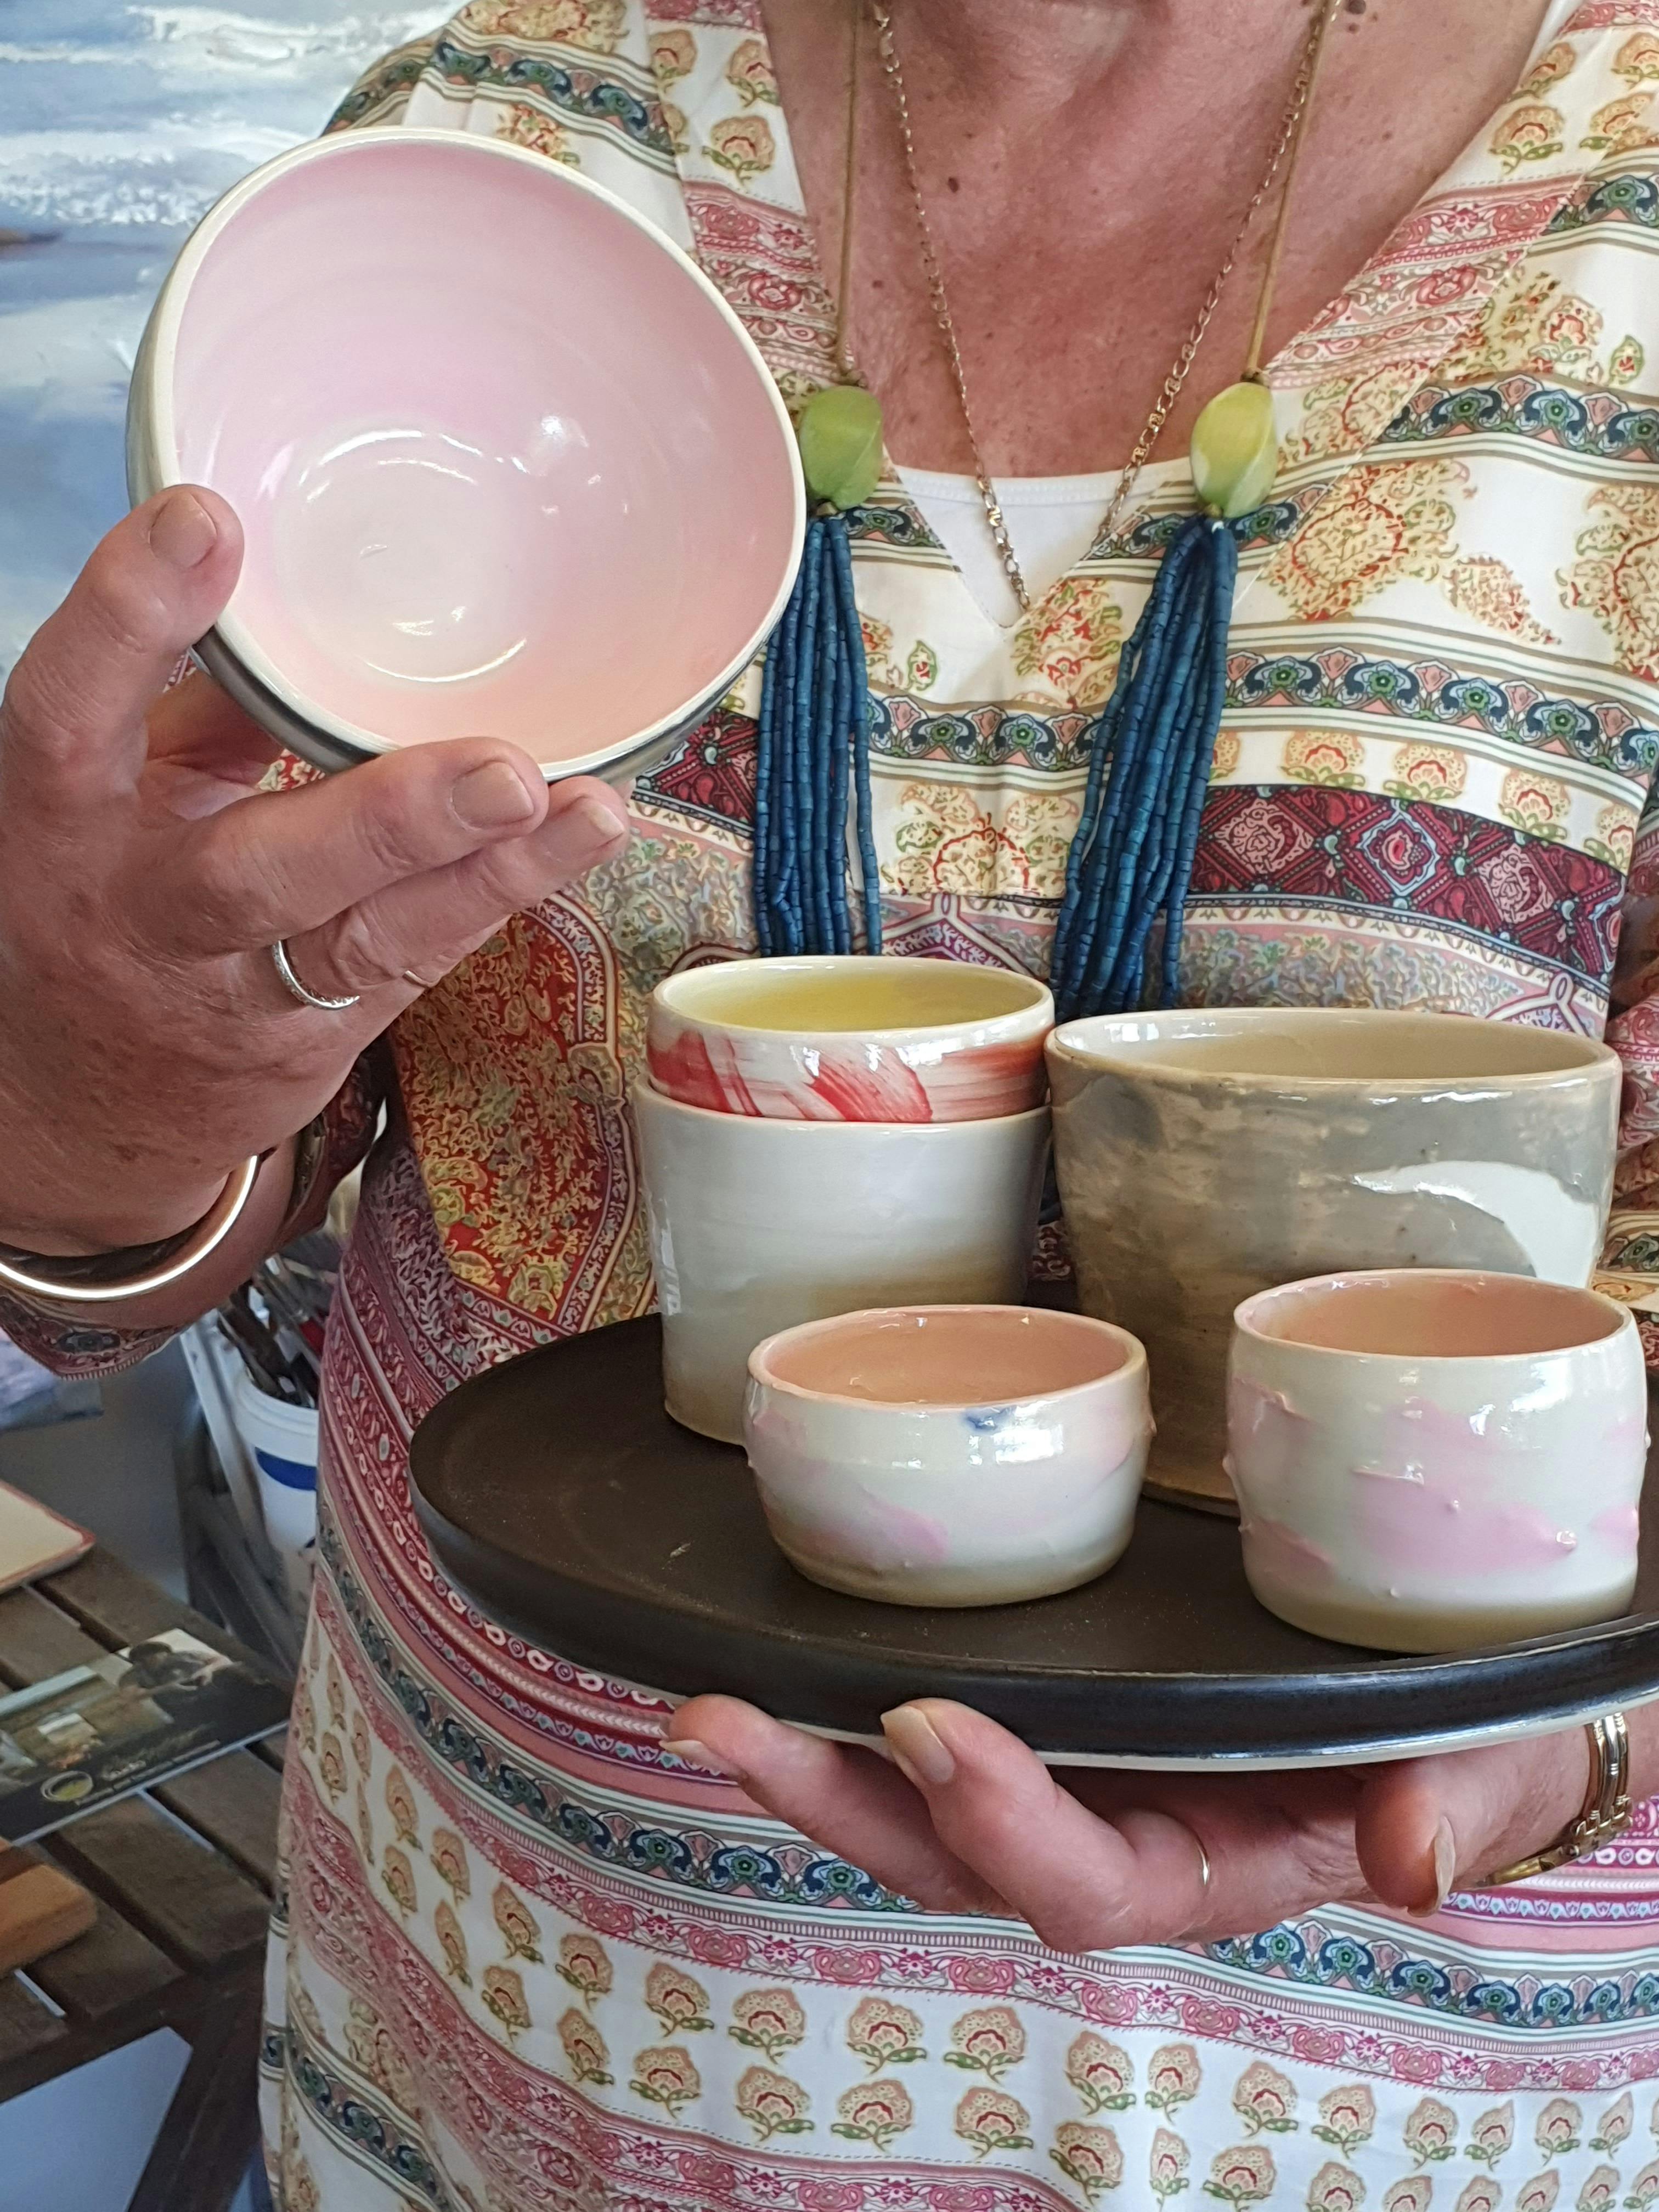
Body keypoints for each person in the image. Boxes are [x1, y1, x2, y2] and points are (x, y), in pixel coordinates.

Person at [3, 1, 1658, 2204]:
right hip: (541, 2012)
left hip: (1405, 2076)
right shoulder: (483, 172)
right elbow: (157, 1220)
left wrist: (1574, 1726)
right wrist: (97, 1079)